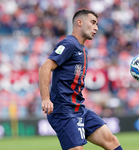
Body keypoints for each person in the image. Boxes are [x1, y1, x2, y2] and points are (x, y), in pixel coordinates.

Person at [39, 9, 123, 150]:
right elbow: (44, 68)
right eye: (93, 23)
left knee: (111, 141)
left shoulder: (83, 49)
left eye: (97, 24)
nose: (96, 27)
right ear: (80, 22)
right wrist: (45, 99)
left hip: (79, 108)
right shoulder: (68, 44)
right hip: (63, 111)